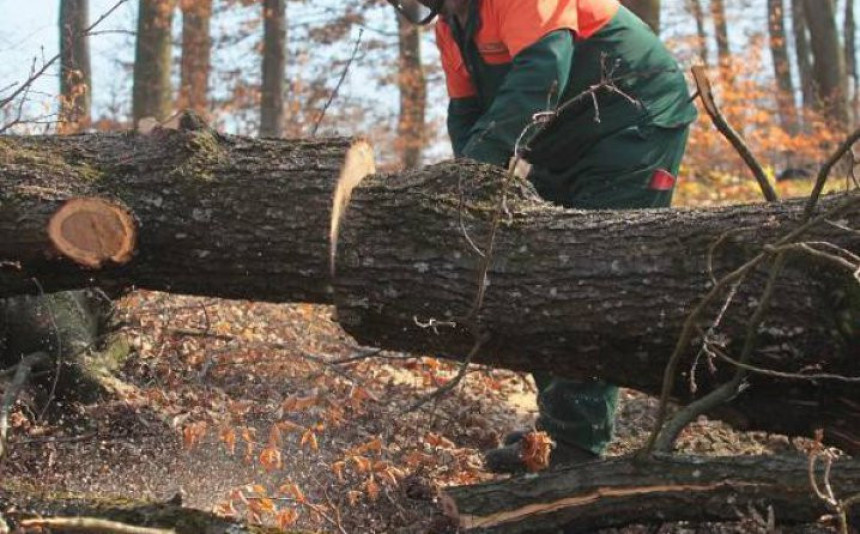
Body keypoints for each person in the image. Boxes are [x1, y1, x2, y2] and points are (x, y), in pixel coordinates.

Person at [388, 0, 697, 473]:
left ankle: (577, 441)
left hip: (634, 118)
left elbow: (542, 71)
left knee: (589, 273)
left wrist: (477, 167)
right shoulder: (452, 28)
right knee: (534, 268)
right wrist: (463, 188)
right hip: (564, 139)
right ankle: (557, 429)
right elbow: (465, 110)